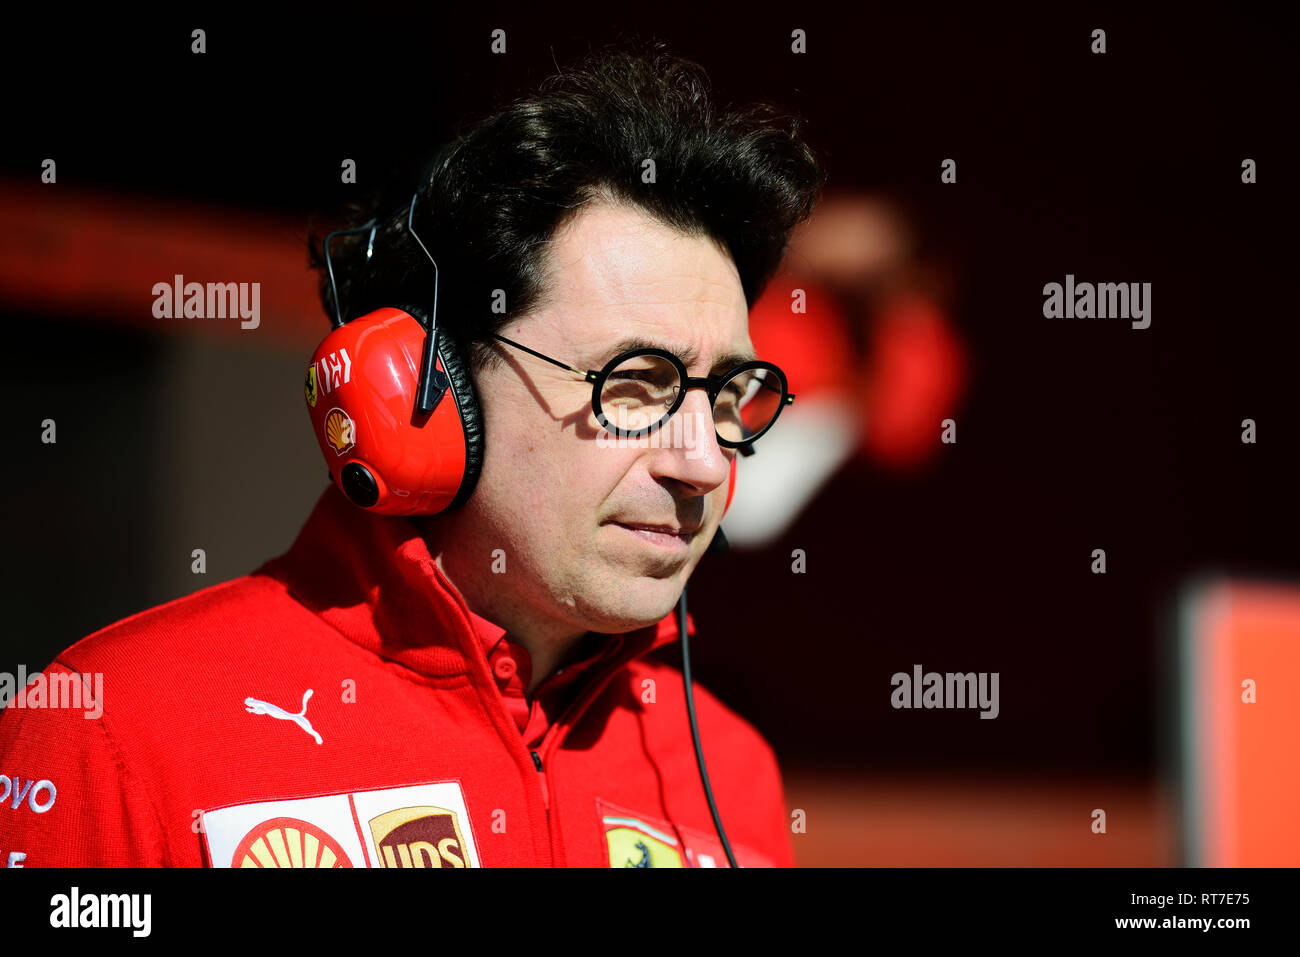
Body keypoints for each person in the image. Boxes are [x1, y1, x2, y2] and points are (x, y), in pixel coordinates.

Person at [0, 42, 824, 867]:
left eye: (723, 396)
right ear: (430, 389)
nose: (706, 465)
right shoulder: (110, 731)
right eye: (636, 382)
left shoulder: (726, 765)